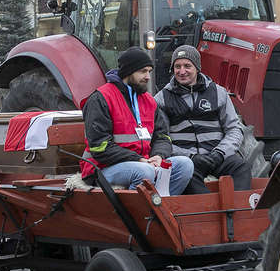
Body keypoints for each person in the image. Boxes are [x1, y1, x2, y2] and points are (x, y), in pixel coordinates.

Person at [79, 47, 194, 195]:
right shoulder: (101, 98)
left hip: (143, 163)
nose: (148, 77)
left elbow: (163, 137)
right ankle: (142, 214)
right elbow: (99, 147)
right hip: (101, 167)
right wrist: (139, 160)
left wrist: (158, 156)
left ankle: (161, 209)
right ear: (128, 72)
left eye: (149, 72)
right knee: (144, 172)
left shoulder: (149, 101)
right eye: (143, 71)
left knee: (185, 165)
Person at [155, 45, 252, 194]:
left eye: (187, 66)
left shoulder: (219, 93)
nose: (182, 71)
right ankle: (210, 214)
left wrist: (220, 153)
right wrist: (190, 156)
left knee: (241, 167)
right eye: (177, 66)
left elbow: (234, 128)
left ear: (197, 67)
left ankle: (241, 213)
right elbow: (161, 139)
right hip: (189, 161)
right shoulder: (162, 99)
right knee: (186, 176)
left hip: (218, 156)